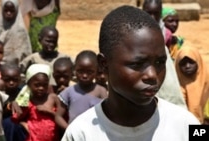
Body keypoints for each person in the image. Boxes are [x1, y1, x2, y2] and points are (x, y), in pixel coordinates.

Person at [62, 5, 200, 141]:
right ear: (104, 64)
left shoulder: (188, 125)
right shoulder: (80, 133)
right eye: (137, 64)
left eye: (159, 63)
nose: (152, 75)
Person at [142, 0, 187, 109]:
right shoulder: (134, 33)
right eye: (149, 13)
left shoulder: (164, 35)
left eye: (156, 13)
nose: (152, 18)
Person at [55, 50, 108, 129]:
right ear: (74, 70)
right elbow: (58, 116)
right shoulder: (69, 91)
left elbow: (107, 115)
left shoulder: (101, 91)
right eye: (80, 71)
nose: (84, 75)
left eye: (89, 72)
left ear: (97, 71)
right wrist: (70, 131)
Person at [12, 64, 61, 141]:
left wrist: (49, 112)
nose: (41, 88)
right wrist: (22, 123)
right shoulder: (26, 100)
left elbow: (62, 117)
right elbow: (18, 117)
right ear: (29, 84)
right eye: (37, 85)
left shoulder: (53, 97)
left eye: (44, 85)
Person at [175, 47, 209, 123]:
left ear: (198, 61)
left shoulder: (206, 81)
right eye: (183, 64)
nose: (187, 66)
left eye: (191, 62)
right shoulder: (174, 87)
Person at [0, 0, 32, 65]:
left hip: (16, 68)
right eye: (6, 10)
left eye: (12, 11)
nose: (8, 13)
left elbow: (26, 54)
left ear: (17, 11)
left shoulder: (20, 30)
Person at [0, 64, 27, 141]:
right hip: (3, 128)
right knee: (10, 122)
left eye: (15, 80)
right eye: (7, 80)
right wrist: (9, 107)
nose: (11, 83)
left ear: (20, 80)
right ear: (1, 79)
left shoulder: (24, 93)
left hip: (22, 128)